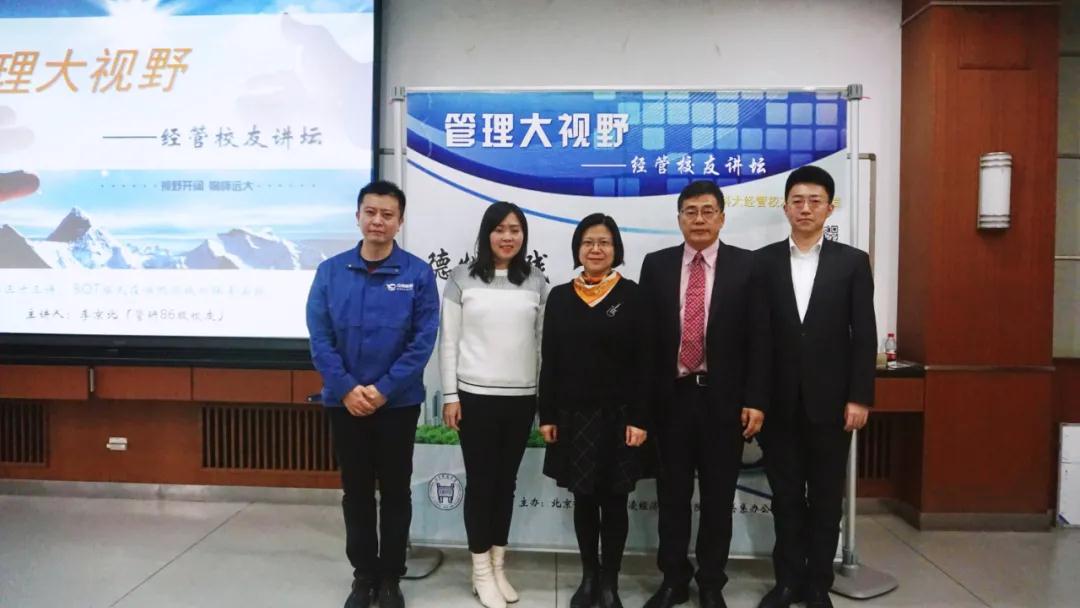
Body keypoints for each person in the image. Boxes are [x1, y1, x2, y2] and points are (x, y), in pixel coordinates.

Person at [305, 180, 440, 608]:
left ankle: (390, 577)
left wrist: (382, 390)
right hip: (344, 403)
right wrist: (347, 388)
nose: (378, 221)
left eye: (387, 214)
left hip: (397, 403)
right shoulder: (330, 272)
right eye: (371, 212)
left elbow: (422, 341)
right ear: (358, 216)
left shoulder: (417, 274)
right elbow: (320, 338)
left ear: (400, 222)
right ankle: (364, 575)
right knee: (357, 492)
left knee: (397, 491)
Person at [638, 180, 770, 608]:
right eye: (690, 211)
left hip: (723, 402)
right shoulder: (656, 266)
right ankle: (673, 579)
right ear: (679, 218)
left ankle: (711, 582)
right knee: (672, 496)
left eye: (707, 211)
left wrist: (755, 399)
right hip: (672, 400)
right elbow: (646, 343)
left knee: (718, 497)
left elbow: (760, 339)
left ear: (722, 218)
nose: (699, 219)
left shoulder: (747, 266)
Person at [755, 166, 876, 608]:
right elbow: (757, 338)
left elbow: (864, 334)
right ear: (786, 207)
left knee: (826, 500)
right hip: (779, 405)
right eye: (797, 201)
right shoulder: (763, 262)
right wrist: (755, 400)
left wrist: (860, 396)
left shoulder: (852, 262)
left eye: (814, 201)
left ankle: (817, 584)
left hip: (832, 405)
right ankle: (787, 582)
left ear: (830, 207)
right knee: (785, 499)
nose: (805, 208)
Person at [538, 213, 651, 608]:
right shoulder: (560, 297)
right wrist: (547, 415)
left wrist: (640, 418)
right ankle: (589, 577)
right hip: (574, 417)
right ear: (577, 249)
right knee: (584, 499)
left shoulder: (633, 295)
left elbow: (645, 363)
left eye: (604, 242)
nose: (596, 249)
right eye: (588, 242)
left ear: (616, 249)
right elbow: (550, 359)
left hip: (620, 418)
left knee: (615, 501)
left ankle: (610, 583)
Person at [439, 201, 549, 608]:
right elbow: (449, 341)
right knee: (482, 483)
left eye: (515, 230)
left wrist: (544, 400)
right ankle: (480, 570)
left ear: (524, 236)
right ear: (487, 234)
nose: (507, 236)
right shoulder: (461, 278)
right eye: (500, 229)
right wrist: (450, 395)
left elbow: (543, 345)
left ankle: (498, 565)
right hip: (475, 398)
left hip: (520, 399)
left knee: (506, 484)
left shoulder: (536, 281)